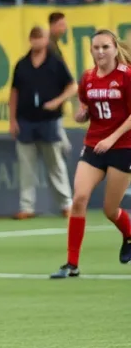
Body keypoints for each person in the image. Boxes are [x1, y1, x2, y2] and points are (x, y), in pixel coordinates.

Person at [51, 31, 131, 278]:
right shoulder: (88, 77)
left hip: (122, 146)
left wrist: (112, 138)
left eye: (105, 47)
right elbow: (86, 104)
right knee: (79, 198)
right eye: (96, 47)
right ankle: (72, 264)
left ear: (115, 48)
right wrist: (82, 113)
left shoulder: (126, 76)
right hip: (95, 145)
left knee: (110, 209)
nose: (100, 52)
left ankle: (129, 234)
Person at [10, 27, 75, 220]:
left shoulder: (55, 62)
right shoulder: (22, 64)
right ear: (30, 40)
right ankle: (27, 206)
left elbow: (72, 86)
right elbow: (14, 93)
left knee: (55, 164)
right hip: (26, 120)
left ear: (46, 41)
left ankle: (66, 204)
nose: (37, 42)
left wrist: (57, 101)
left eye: (41, 38)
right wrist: (12, 119)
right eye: (34, 38)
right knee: (26, 166)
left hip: (49, 120)